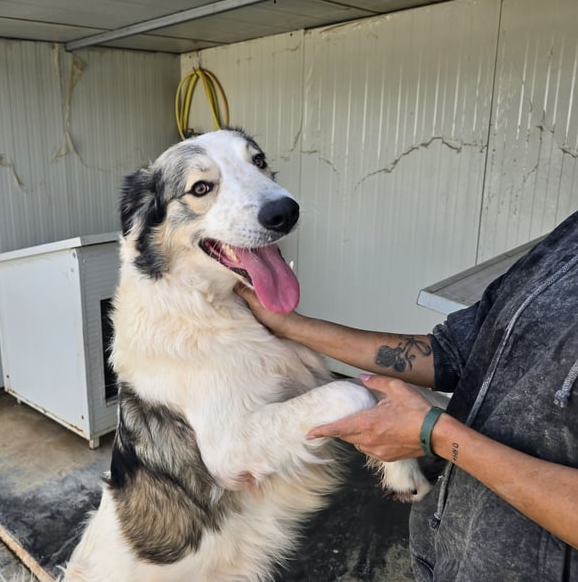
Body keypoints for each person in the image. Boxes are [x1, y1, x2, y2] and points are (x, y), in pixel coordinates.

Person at [236, 209, 578, 580]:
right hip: (446, 551)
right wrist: (296, 327)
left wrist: (438, 434)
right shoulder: (568, 238)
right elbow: (454, 352)